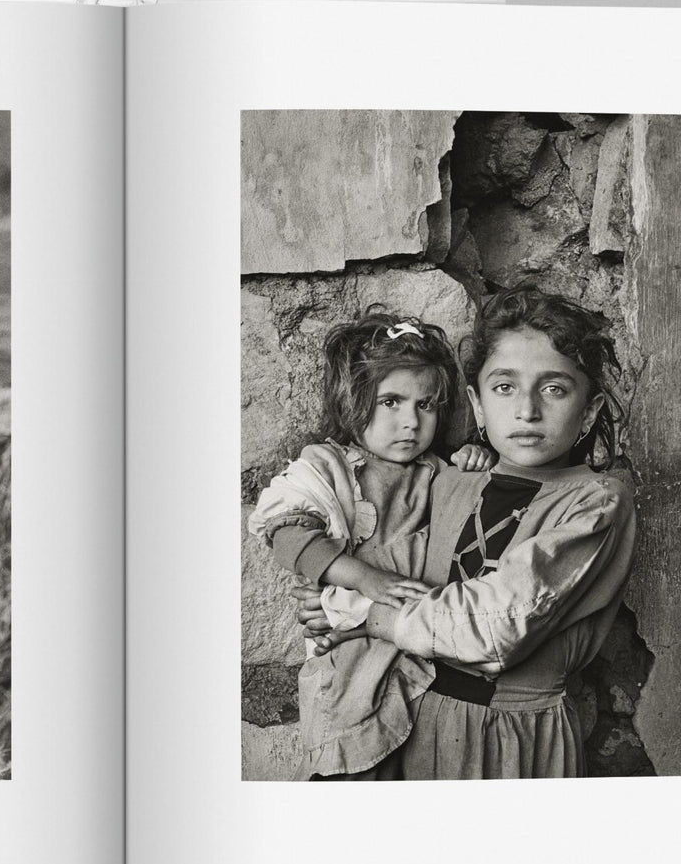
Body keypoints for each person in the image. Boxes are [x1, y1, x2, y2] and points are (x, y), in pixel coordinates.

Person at [300, 288, 637, 779]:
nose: (527, 410)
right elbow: (389, 564)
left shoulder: (597, 502)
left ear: (588, 411)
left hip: (516, 736)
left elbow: (496, 625)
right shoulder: (448, 483)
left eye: (554, 389)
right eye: (504, 388)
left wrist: (363, 616)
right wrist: (330, 593)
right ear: (477, 405)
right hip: (418, 723)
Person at [247, 309, 491, 781]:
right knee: (353, 766)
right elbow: (286, 532)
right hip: (348, 659)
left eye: (426, 405)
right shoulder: (328, 467)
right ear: (352, 401)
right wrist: (367, 579)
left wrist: (472, 462)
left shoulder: (436, 471)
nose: (411, 423)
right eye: (391, 402)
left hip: (418, 650)